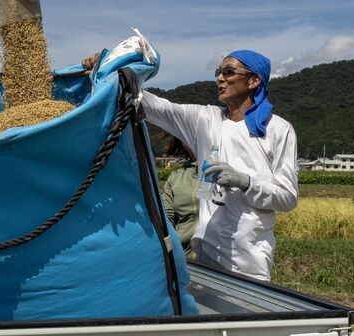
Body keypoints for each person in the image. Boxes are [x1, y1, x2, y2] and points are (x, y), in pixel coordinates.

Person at [86, 48, 297, 281]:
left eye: (229, 72)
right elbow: (154, 105)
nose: (220, 78)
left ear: (254, 80)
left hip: (248, 259)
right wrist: (107, 68)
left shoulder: (278, 129)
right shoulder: (206, 120)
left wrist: (246, 182)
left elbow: (287, 197)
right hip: (206, 253)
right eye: (218, 71)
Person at [160, 136, 199, 261]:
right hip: (185, 260)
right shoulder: (175, 178)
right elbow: (166, 220)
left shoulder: (225, 171)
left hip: (222, 268)